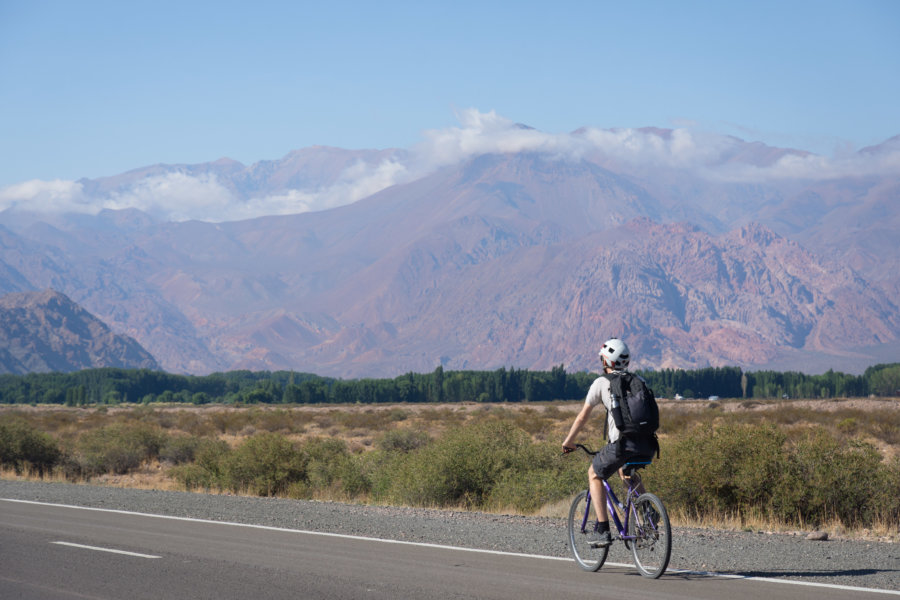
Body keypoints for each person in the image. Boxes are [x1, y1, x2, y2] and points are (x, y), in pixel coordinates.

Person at [561, 338, 656, 547]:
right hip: (648, 445)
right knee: (626, 472)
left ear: (606, 361)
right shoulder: (639, 380)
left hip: (622, 444)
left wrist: (568, 441)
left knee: (594, 474)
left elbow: (582, 418)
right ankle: (648, 511)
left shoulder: (601, 383)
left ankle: (603, 529)